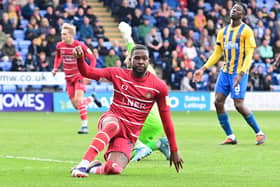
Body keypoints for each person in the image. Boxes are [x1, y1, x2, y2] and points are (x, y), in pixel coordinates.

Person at [70, 44, 183, 177]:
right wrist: (80, 59)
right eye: (137, 58)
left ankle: (92, 168)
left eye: (144, 58)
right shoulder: (117, 74)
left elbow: (167, 121)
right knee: (112, 125)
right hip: (113, 118)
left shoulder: (159, 87)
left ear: (148, 61)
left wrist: (174, 149)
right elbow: (87, 72)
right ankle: (82, 166)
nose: (141, 61)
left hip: (129, 136)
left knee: (113, 169)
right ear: (130, 60)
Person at [194, 3, 266, 145]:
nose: (234, 10)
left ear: (243, 15)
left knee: (238, 104)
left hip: (238, 72)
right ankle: (230, 136)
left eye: (238, 9)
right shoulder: (223, 32)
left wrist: (241, 73)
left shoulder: (247, 31)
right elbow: (217, 53)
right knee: (218, 101)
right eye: (233, 8)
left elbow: (249, 55)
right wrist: (203, 68)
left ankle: (259, 133)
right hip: (225, 72)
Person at [118, 21, 170, 162]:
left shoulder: (134, 75)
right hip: (155, 121)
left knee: (116, 130)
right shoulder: (148, 71)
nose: (125, 59)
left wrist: (127, 37)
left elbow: (133, 49)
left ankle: (145, 146)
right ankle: (160, 144)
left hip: (145, 120)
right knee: (132, 147)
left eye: (128, 57)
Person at [52, 23, 102, 134]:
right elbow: (58, 56)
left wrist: (89, 72)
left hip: (79, 76)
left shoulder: (80, 45)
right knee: (76, 106)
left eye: (64, 34)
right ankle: (92, 99)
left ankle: (85, 127)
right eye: (62, 34)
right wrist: (55, 68)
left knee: (79, 101)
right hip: (68, 78)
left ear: (71, 35)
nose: (62, 36)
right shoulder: (60, 45)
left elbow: (92, 59)